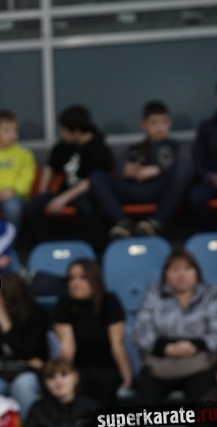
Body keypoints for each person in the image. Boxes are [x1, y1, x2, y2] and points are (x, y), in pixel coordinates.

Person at [89, 100, 190, 238]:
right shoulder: (135, 147)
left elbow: (188, 168)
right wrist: (127, 171)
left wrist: (157, 170)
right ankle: (122, 223)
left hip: (161, 189)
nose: (160, 127)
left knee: (181, 170)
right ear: (144, 124)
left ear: (170, 123)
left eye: (164, 122)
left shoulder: (177, 146)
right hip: (135, 188)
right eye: (154, 123)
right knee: (97, 177)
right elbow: (120, 169)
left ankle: (156, 223)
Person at [132, 250, 217, 403]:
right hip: (160, 364)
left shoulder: (210, 293)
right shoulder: (154, 293)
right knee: (145, 395)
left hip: (199, 364)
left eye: (187, 268)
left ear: (197, 272)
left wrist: (196, 345)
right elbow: (140, 330)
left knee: (204, 396)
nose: (181, 274)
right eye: (175, 269)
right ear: (166, 274)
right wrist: (165, 347)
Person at [25, 105, 113, 253]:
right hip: (64, 192)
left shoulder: (99, 148)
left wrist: (62, 199)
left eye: (64, 130)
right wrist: (42, 193)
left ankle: (97, 252)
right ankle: (44, 249)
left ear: (76, 132)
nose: (61, 133)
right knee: (33, 205)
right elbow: (50, 167)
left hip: (86, 194)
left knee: (86, 206)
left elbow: (92, 181)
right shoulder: (63, 147)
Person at [53, 259, 132, 407]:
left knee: (106, 382)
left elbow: (117, 345)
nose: (75, 283)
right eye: (71, 278)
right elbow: (68, 347)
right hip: (78, 367)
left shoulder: (109, 301)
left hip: (107, 367)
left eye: (82, 277)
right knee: (78, 382)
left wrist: (128, 379)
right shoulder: (63, 305)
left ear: (95, 280)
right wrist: (62, 376)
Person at [0, 273, 49, 420]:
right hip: (0, 373)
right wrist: (23, 361)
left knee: (23, 385)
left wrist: (5, 323)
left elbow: (29, 351)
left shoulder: (36, 314)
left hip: (29, 374)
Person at [24, 358, 101, 427]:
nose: (58, 381)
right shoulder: (38, 410)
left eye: (64, 374)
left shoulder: (92, 408)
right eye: (51, 377)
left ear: (75, 377)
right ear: (45, 383)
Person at [189, 82, 217, 232]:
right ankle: (209, 235)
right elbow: (198, 159)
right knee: (196, 197)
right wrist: (210, 176)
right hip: (210, 181)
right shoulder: (206, 126)